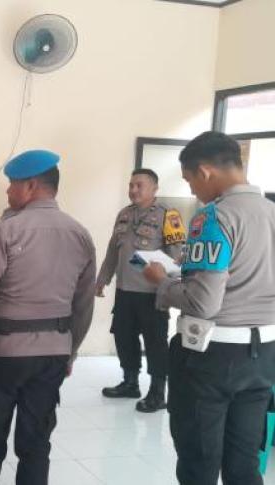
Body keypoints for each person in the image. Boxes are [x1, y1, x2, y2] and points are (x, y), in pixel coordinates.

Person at [0, 150, 96, 485]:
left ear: (31, 186)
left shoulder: (7, 230)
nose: (7, 191)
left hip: (4, 354)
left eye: (12, 184)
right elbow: (84, 304)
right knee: (36, 442)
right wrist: (70, 351)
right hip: (52, 355)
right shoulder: (80, 234)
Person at [142, 131, 275, 485]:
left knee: (199, 462)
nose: (191, 190)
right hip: (264, 355)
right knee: (244, 463)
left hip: (212, 357)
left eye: (189, 180)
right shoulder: (271, 212)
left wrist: (163, 282)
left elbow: (203, 302)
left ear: (205, 171)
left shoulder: (214, 217)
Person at [97, 169, 186, 412]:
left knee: (155, 342)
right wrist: (102, 279)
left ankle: (157, 392)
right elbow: (113, 251)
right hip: (125, 290)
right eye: (131, 185)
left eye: (139, 185)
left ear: (155, 188)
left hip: (153, 294)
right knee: (123, 336)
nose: (133, 190)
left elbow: (177, 256)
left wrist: (171, 284)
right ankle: (130, 382)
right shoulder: (124, 214)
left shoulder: (168, 215)